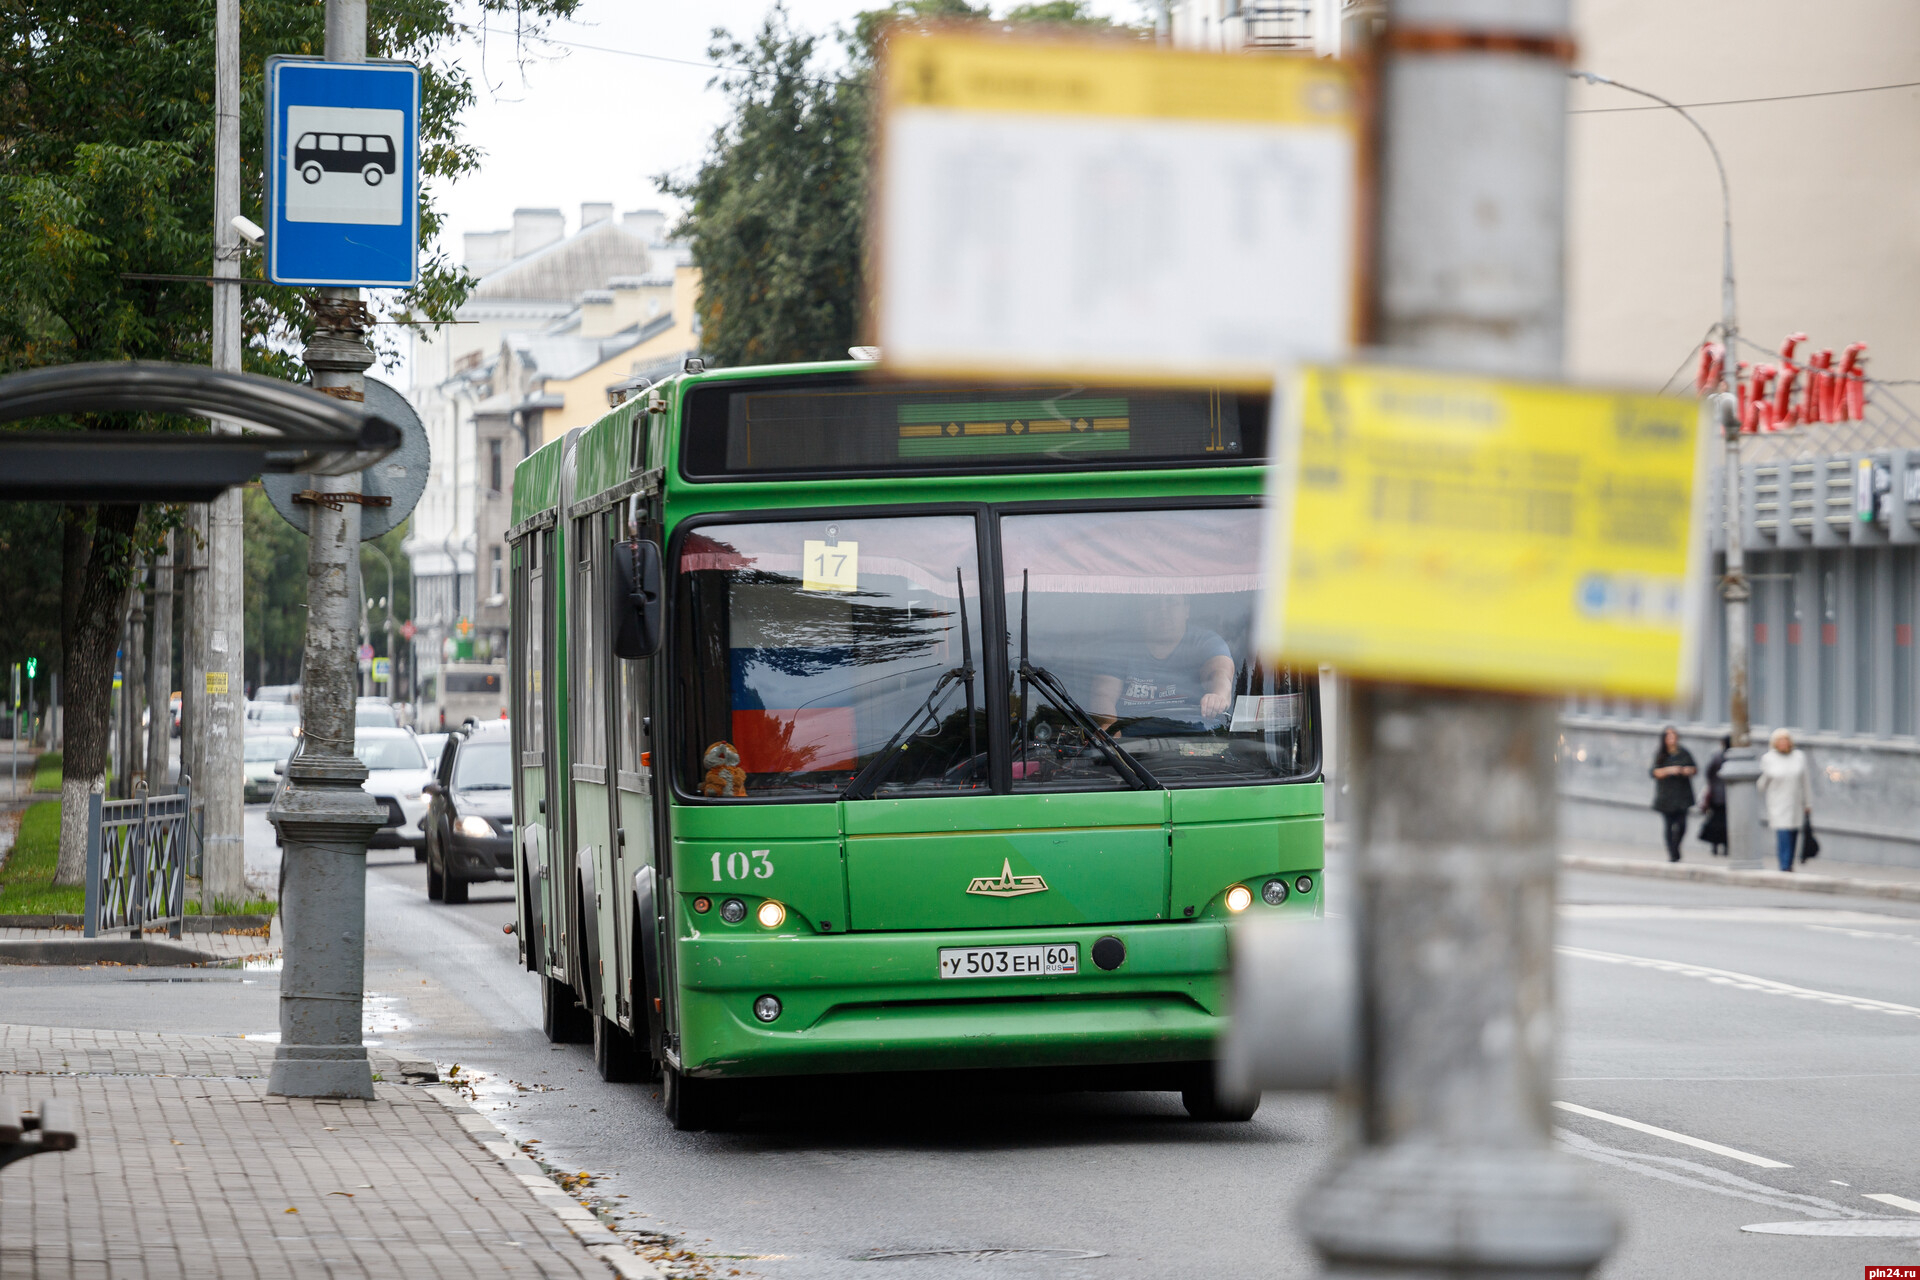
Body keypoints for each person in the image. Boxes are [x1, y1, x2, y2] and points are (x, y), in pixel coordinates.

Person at [1089, 594, 1234, 734]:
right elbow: (1103, 695)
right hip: (1131, 743)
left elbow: (1220, 673)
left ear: (1186, 609)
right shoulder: (1120, 646)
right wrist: (1109, 728)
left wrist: (1218, 696)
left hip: (1194, 738)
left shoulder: (1206, 642)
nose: (1163, 611)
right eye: (1153, 603)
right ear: (1141, 612)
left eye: (1171, 602)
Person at [1757, 728, 1813, 872]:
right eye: (1780, 741)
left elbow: (1805, 781)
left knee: (1793, 832)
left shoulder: (1799, 757)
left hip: (1795, 801)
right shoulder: (1768, 759)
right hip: (1777, 802)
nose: (1783, 743)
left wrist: (1808, 803)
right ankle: (1784, 864)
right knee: (1783, 833)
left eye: (1786, 740)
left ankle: (1789, 862)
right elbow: (1761, 784)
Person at [1649, 725, 1697, 863]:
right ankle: (1672, 853)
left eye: (1674, 736)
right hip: (1666, 797)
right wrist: (1670, 770)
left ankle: (1676, 847)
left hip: (1682, 796)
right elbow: (1654, 772)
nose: (1672, 739)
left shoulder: (1683, 753)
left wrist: (1686, 770)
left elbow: (1694, 769)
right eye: (1668, 736)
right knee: (1669, 826)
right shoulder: (1661, 754)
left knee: (1682, 825)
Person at [1698, 734, 1731, 856]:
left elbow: (1708, 773)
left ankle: (1716, 846)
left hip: (1717, 795)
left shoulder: (1717, 756)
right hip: (1724, 796)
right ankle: (1723, 846)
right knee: (1724, 822)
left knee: (1717, 822)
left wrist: (1712, 786)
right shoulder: (1722, 757)